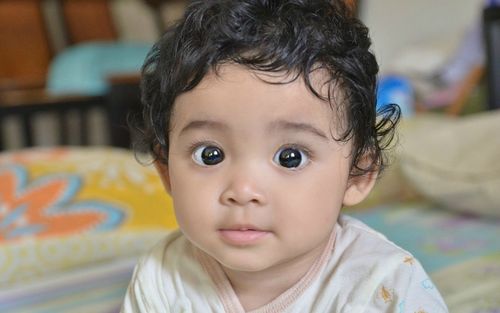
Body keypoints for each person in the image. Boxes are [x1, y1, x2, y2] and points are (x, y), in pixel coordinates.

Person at [122, 0, 449, 312]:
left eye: (290, 157)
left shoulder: (382, 286)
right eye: (210, 155)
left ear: (358, 173)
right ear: (166, 171)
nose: (243, 191)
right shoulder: (163, 277)